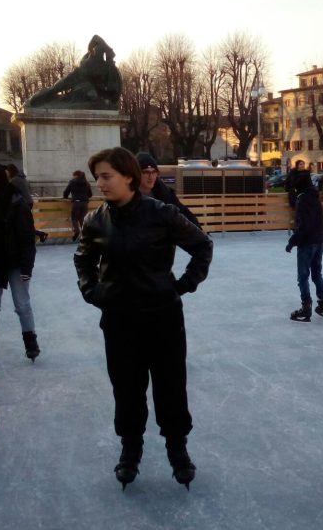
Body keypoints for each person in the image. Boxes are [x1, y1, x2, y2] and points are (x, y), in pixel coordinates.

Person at [74, 147, 213, 490]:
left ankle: (177, 449)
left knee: (170, 388)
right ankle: (130, 449)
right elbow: (83, 259)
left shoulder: (161, 213)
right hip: (120, 322)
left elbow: (202, 245)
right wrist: (93, 292)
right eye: (97, 178)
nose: (100, 184)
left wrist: (183, 285)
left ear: (129, 177)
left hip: (162, 320)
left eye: (106, 176)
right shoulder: (96, 220)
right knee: (127, 390)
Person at [0, 164, 40, 362]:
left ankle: (31, 342)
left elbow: (27, 238)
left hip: (17, 262)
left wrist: (27, 267)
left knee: (22, 305)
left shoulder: (17, 203)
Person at [286, 172, 323, 321]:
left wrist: (292, 241)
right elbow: (318, 221)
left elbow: (303, 225)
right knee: (317, 274)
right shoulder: (314, 197)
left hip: (307, 243)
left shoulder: (303, 199)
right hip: (318, 241)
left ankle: (306, 307)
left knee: (303, 276)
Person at [136, 153, 200, 229]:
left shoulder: (165, 193)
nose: (151, 176)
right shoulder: (129, 195)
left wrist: (200, 233)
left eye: (154, 172)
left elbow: (183, 213)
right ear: (137, 174)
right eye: (146, 172)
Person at [6, 163, 47, 243]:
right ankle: (40, 234)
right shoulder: (23, 179)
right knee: (24, 223)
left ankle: (38, 234)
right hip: (28, 202)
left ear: (10, 171)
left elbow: (8, 191)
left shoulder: (15, 180)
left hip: (23, 204)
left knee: (22, 224)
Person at [63, 170, 92, 241]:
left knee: (74, 218)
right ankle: (85, 235)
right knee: (82, 219)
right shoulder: (87, 183)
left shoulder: (72, 182)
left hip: (76, 202)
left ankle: (77, 231)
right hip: (85, 203)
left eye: (74, 175)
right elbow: (90, 194)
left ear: (76, 175)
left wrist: (66, 197)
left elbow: (66, 192)